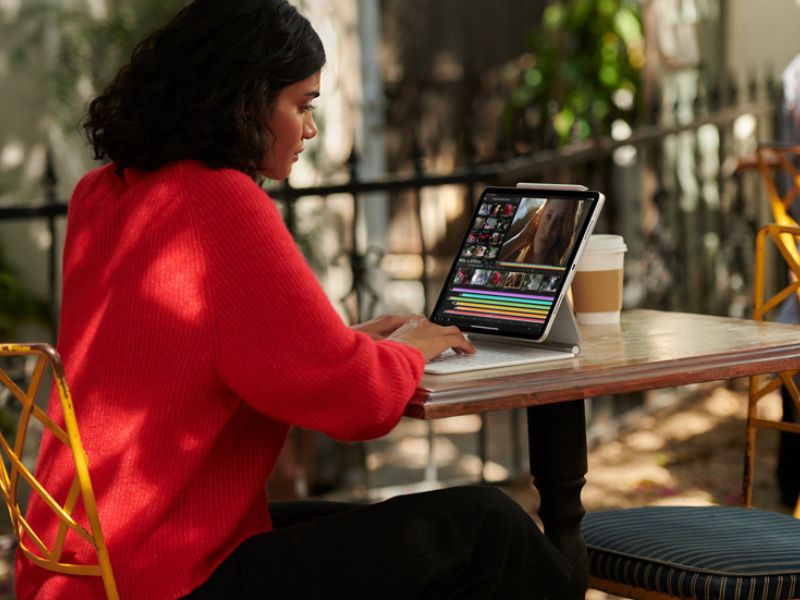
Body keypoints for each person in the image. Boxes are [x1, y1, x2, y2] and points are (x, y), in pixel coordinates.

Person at [15, 1, 572, 599]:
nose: (310, 129)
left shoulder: (101, 194)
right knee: (486, 528)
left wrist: (351, 343)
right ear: (245, 101)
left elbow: (207, 357)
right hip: (167, 579)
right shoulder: (216, 201)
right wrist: (411, 348)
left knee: (389, 523)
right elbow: (355, 403)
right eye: (302, 105)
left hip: (81, 566)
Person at [497, 198, 580, 265]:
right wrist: (520, 239)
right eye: (548, 216)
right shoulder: (510, 261)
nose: (549, 228)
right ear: (539, 217)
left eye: (561, 220)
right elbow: (485, 262)